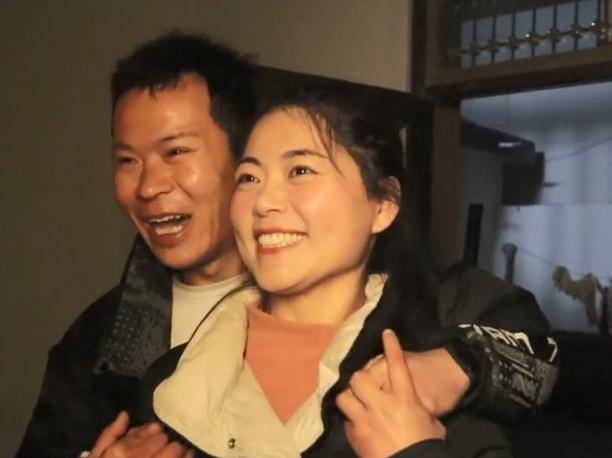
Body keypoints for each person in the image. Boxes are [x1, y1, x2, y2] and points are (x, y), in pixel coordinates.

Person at [17, 32, 557, 458]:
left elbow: (531, 348)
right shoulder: (111, 340)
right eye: (126, 161)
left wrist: (459, 369)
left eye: (176, 151)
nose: (149, 186)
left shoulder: (417, 314)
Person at [119, 88, 526, 457]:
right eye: (249, 177)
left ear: (383, 205)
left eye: (300, 171)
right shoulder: (173, 383)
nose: (264, 201)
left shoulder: (430, 375)